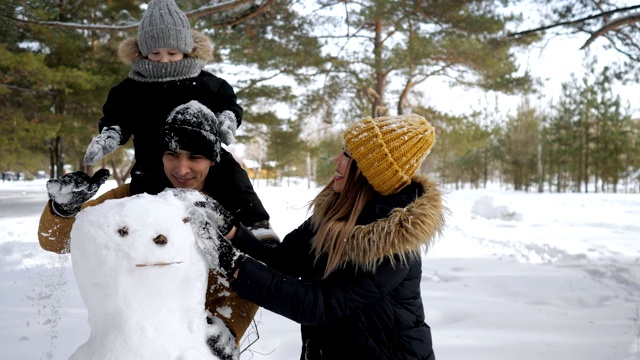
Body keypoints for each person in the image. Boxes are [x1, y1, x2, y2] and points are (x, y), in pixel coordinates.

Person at [191, 113, 447, 359]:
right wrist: (232, 230)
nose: (336, 160)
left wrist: (233, 264)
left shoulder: (392, 242)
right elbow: (282, 262)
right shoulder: (336, 213)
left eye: (347, 155)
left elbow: (320, 305)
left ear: (370, 172)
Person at [38, 101, 259, 360]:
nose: (182, 168)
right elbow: (56, 241)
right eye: (173, 154)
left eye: (195, 157)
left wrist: (228, 329)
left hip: (197, 343)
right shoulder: (135, 198)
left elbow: (255, 273)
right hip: (131, 342)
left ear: (212, 160)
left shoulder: (231, 208)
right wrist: (63, 209)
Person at [83, 0, 277, 242]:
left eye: (172, 53)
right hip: (151, 160)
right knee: (147, 200)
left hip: (205, 159)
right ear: (142, 53)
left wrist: (228, 119)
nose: (164, 60)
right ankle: (149, 246)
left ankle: (257, 225)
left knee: (233, 177)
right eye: (155, 53)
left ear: (186, 50)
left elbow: (229, 104)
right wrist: (110, 134)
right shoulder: (130, 90)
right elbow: (117, 116)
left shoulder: (206, 83)